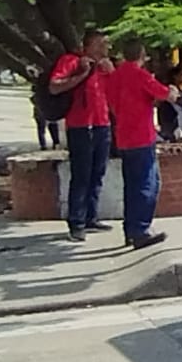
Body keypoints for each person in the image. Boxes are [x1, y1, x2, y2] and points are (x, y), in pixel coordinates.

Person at [49, 30, 115, 242]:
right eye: (102, 44)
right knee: (82, 174)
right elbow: (54, 87)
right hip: (80, 126)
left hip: (101, 124)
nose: (106, 48)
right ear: (91, 45)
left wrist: (112, 74)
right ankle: (76, 221)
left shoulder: (105, 67)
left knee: (98, 172)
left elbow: (116, 94)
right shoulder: (72, 61)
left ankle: (90, 216)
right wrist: (82, 75)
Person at [108, 39, 171, 249]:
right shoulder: (140, 74)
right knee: (148, 184)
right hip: (142, 136)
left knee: (131, 185)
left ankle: (131, 229)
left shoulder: (115, 76)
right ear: (142, 55)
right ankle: (141, 229)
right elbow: (162, 93)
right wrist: (172, 92)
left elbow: (113, 104)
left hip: (124, 136)